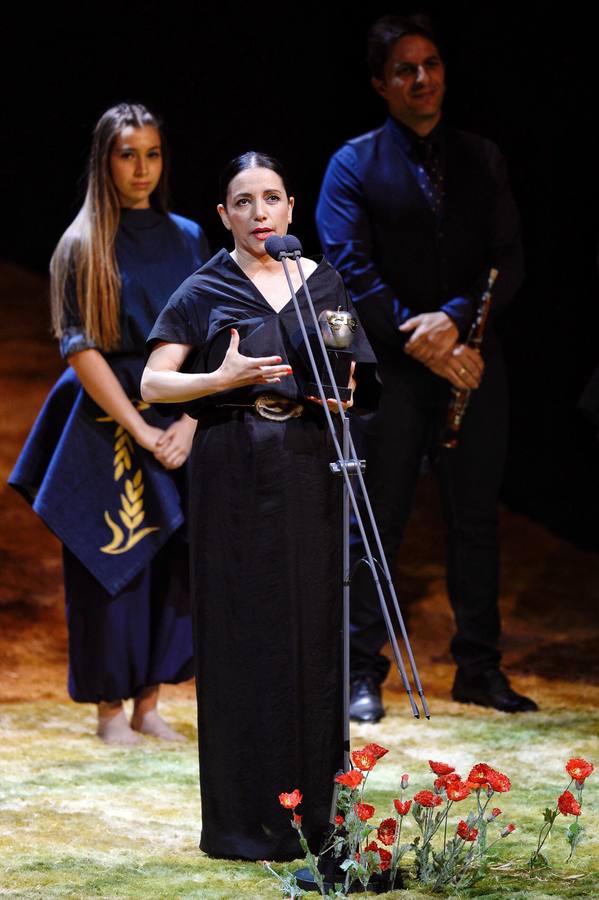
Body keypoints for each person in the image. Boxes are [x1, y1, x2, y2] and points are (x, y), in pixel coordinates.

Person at [142, 151, 372, 860]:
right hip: (234, 469)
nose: (258, 212)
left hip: (309, 465)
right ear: (224, 216)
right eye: (242, 202)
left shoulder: (321, 280)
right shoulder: (206, 284)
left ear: (291, 208)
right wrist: (220, 377)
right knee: (244, 630)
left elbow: (352, 371)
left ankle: (315, 818)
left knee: (310, 626)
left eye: (270, 198)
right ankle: (243, 823)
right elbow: (153, 383)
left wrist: (342, 393)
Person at [316, 14, 538, 718]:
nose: (422, 79)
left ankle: (477, 667)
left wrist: (452, 321)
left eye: (431, 64)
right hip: (393, 366)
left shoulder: (482, 156)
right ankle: (360, 673)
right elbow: (347, 265)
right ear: (381, 84)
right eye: (405, 69)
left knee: (475, 519)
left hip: (471, 356)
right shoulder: (353, 162)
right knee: (375, 521)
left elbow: (507, 257)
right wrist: (422, 336)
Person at [9, 103, 210, 745]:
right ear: (105, 161)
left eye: (152, 153)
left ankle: (149, 704)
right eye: (128, 154)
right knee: (109, 557)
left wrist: (189, 421)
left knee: (170, 559)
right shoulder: (82, 242)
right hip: (104, 412)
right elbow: (80, 346)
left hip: (177, 404)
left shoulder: (188, 236)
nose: (142, 168)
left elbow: (210, 339)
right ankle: (108, 712)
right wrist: (143, 429)